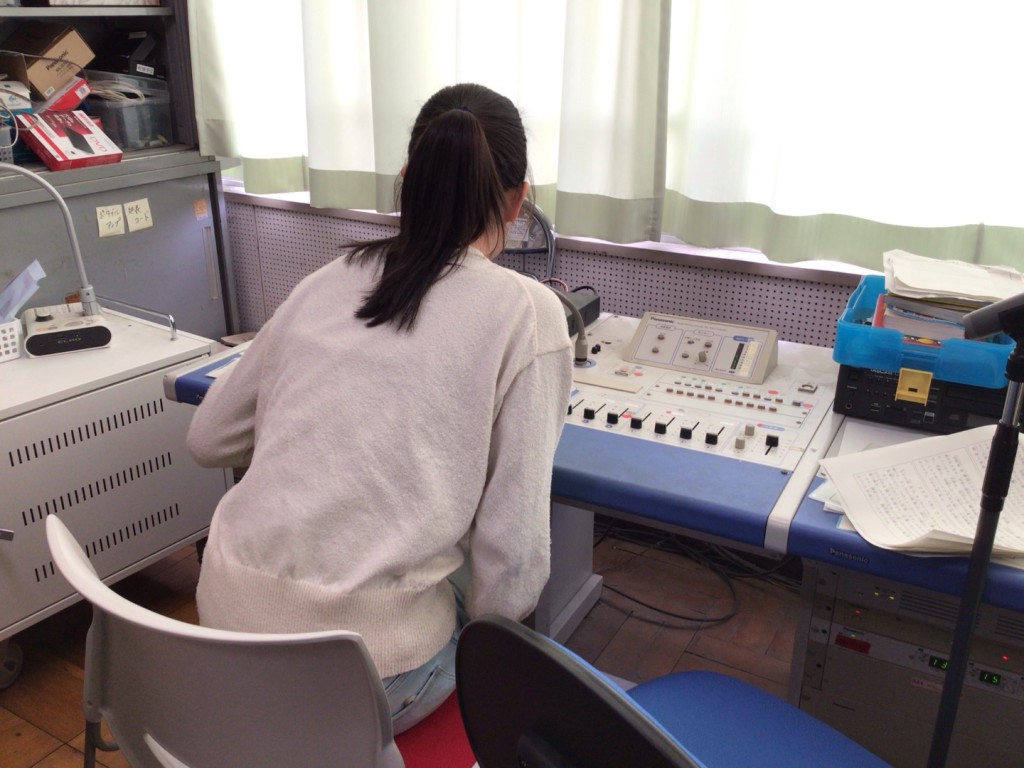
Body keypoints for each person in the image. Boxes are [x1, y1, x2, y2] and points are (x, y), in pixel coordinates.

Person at [186, 83, 573, 733]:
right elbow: (513, 571)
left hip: (220, 632)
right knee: (474, 574)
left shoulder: (327, 279)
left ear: (407, 180)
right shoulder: (527, 314)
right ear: (518, 201)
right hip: (370, 679)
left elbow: (207, 438)